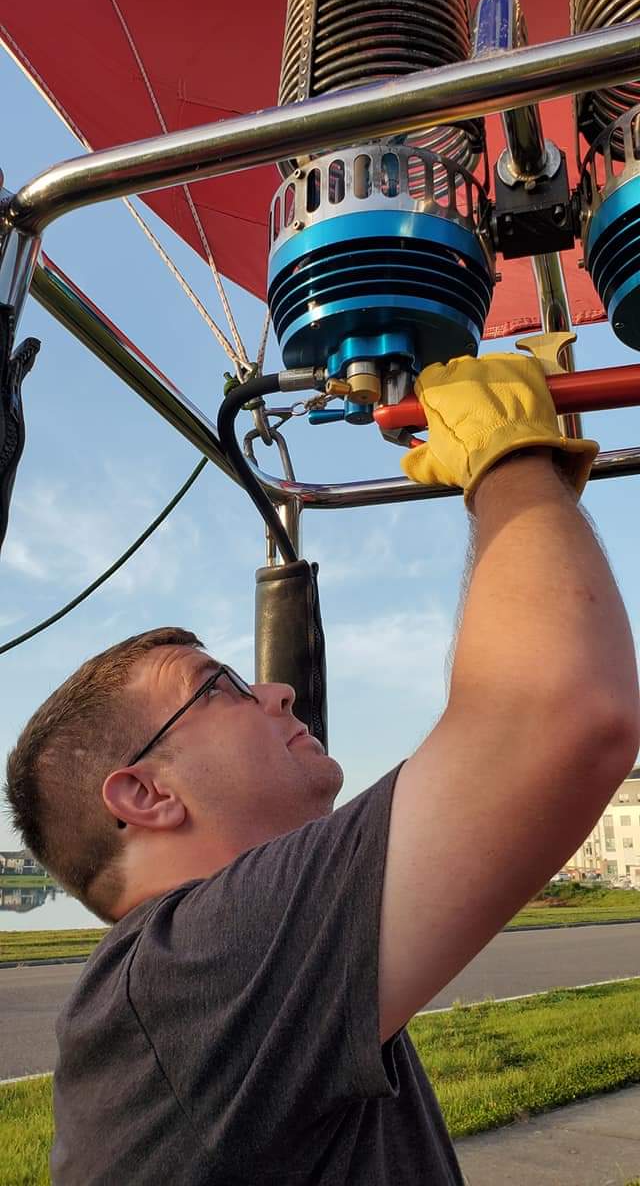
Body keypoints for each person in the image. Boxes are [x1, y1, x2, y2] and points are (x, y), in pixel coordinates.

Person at [4, 353, 639, 1185]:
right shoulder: (189, 971)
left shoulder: (217, 978)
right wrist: (508, 456)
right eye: (221, 688)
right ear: (145, 794)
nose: (276, 691)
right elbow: (557, 716)